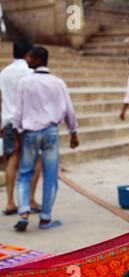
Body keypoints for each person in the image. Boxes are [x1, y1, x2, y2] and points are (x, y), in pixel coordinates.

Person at [12, 46, 79, 232]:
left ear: (38, 60)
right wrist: (73, 132)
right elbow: (69, 110)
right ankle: (45, 218)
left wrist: (17, 134)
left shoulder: (24, 82)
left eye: (30, 57)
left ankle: (24, 212)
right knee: (50, 176)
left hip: (29, 134)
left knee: (24, 174)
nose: (27, 60)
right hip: (51, 132)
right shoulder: (58, 83)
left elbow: (18, 113)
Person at [0, 39, 42, 216]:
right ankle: (31, 199)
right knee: (36, 160)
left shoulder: (4, 73)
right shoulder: (30, 73)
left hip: (9, 121)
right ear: (28, 55)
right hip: (28, 122)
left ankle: (10, 202)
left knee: (12, 159)